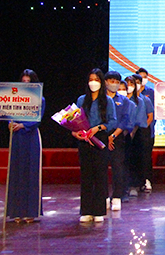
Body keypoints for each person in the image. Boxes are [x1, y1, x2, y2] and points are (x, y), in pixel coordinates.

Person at [73, 69, 117, 223]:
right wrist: (75, 132)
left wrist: (98, 128)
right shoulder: (81, 100)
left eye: (96, 79)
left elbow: (113, 121)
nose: (93, 82)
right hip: (84, 140)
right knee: (86, 176)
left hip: (99, 139)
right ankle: (86, 210)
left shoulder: (107, 101)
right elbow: (75, 120)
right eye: (91, 79)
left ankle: (99, 210)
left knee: (100, 175)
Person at [6, 69, 45, 223]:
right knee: (16, 172)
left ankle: (30, 211)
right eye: (23, 82)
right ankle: (16, 211)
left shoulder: (40, 99)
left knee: (30, 173)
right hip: (16, 138)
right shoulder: (13, 99)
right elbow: (7, 113)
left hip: (31, 137)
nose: (26, 85)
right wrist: (10, 123)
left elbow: (37, 119)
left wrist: (23, 125)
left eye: (29, 82)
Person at [104, 71, 135, 212]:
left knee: (118, 167)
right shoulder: (100, 99)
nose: (114, 84)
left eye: (117, 81)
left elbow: (126, 120)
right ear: (105, 82)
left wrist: (114, 135)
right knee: (101, 167)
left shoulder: (124, 101)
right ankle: (103, 196)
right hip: (100, 136)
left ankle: (117, 196)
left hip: (117, 137)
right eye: (111, 81)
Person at [129, 73, 154, 195]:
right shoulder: (125, 100)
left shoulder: (145, 99)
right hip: (127, 131)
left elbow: (150, 116)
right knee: (130, 158)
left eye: (137, 82)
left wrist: (144, 127)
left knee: (143, 158)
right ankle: (131, 184)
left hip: (142, 131)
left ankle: (144, 181)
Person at [136, 67, 155, 192]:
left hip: (148, 130)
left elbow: (154, 112)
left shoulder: (151, 93)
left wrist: (146, 125)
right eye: (140, 77)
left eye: (145, 77)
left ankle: (147, 180)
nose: (142, 80)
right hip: (131, 131)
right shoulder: (129, 93)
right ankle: (135, 182)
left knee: (146, 156)